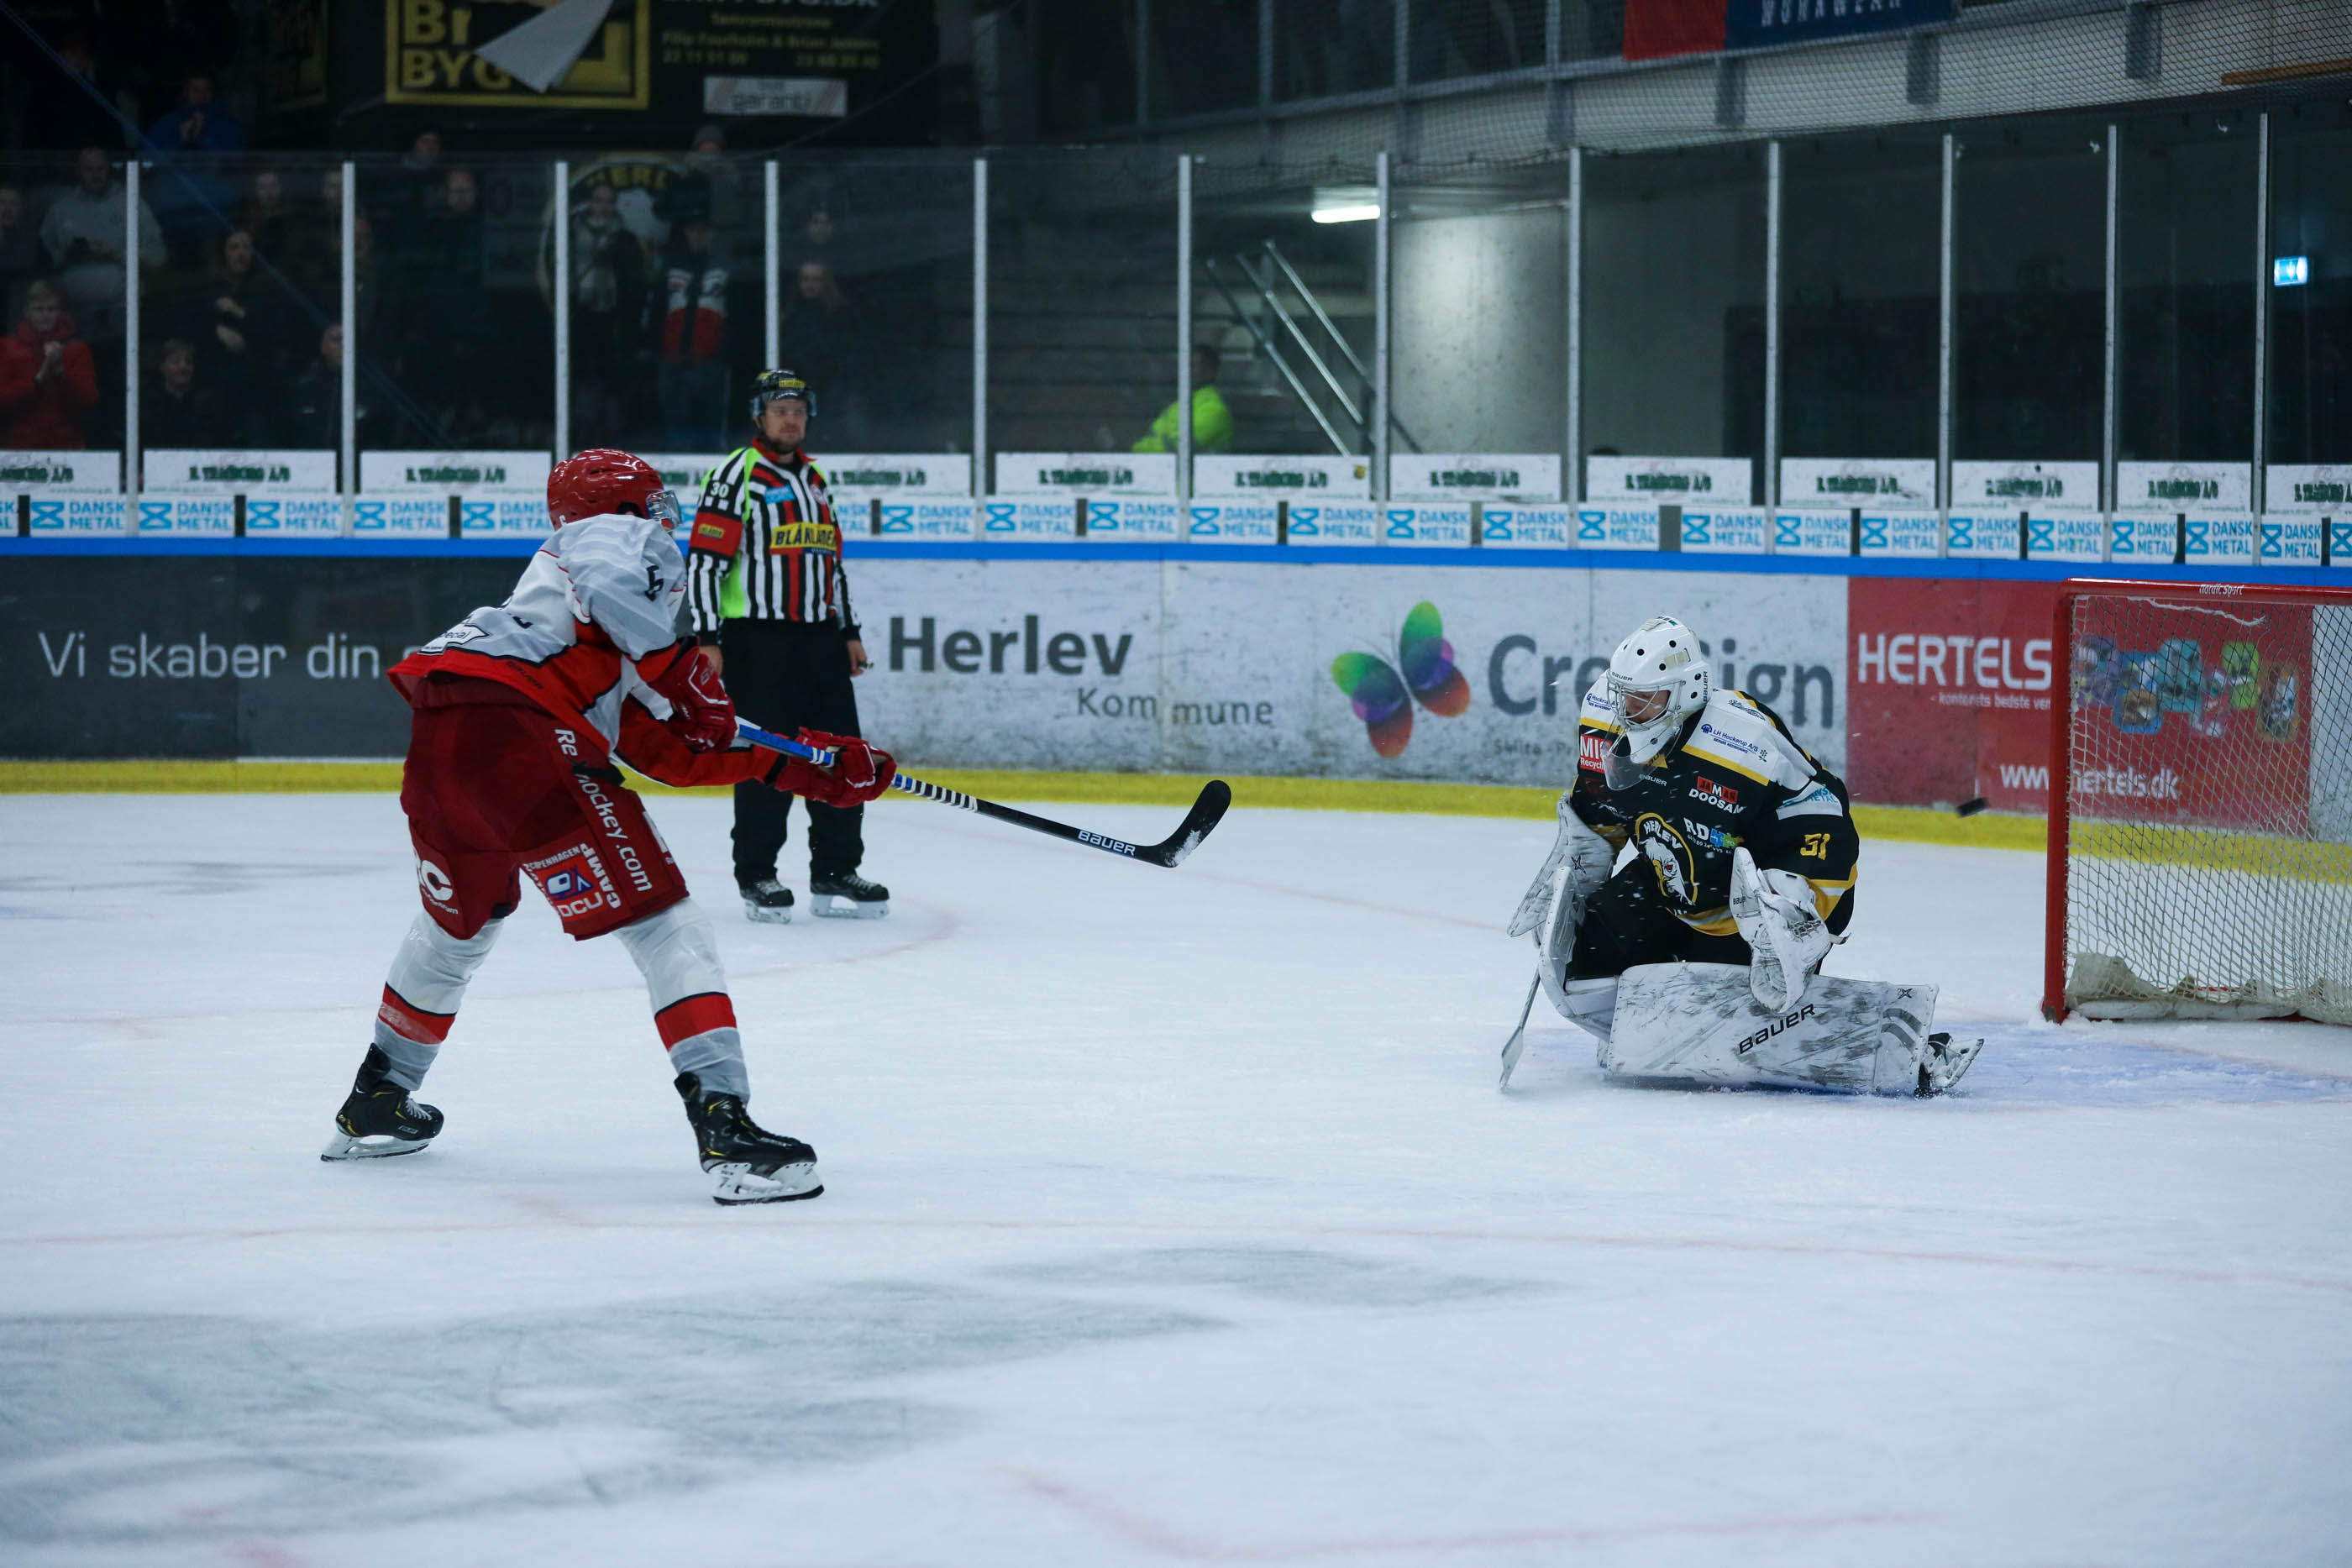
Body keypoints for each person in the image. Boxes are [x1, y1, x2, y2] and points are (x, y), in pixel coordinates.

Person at [321, 448, 896, 1204]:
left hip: (445, 746)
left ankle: (377, 1100)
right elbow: (620, 586)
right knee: (667, 927)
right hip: (523, 738)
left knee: (460, 924)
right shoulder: (604, 542)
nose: (662, 521)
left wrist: (802, 766)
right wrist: (686, 672)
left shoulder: (566, 624)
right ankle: (726, 1129)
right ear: (622, 507)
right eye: (651, 504)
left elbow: (664, 747)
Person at [1508, 614, 1979, 1096]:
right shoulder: (1601, 716)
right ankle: (1646, 1035)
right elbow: (1596, 810)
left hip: (1750, 914)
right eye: (1623, 694)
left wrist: (1794, 909)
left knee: (1746, 1011)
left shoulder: (1742, 742)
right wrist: (1573, 872)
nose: (1627, 711)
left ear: (1686, 691)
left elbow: (1826, 821)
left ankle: (1798, 1023)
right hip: (1673, 888)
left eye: (1644, 700)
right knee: (1583, 954)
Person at [686, 370, 889, 923]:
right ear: (759, 417)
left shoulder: (816, 478)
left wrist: (848, 630)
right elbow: (706, 560)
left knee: (843, 754)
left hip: (819, 639)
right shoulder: (738, 473)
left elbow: (831, 564)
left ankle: (836, 867)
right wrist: (707, 637)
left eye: (798, 409)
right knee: (767, 757)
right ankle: (757, 873)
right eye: (779, 409)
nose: (790, 418)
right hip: (758, 639)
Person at [39, 147, 165, 349]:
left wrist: (115, 253)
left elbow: (158, 256)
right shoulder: (60, 209)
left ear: (110, 169)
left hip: (123, 309)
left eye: (101, 168)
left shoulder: (132, 202)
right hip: (72, 312)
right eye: (89, 169)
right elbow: (44, 264)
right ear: (78, 171)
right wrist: (71, 254)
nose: (95, 175)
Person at [652, 197, 730, 449]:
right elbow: (657, 311)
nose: (698, 236)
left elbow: (735, 316)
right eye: (693, 230)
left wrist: (724, 353)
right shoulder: (670, 266)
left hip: (712, 362)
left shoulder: (724, 267)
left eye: (703, 231)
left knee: (709, 427)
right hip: (673, 360)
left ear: (712, 233)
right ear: (685, 232)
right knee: (677, 426)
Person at [0, 281, 99, 449]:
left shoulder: (77, 349)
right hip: (18, 449)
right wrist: (38, 380)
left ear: (61, 313)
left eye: (51, 309)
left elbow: (89, 401)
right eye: (39, 309)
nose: (45, 315)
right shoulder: (7, 347)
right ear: (27, 313)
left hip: (67, 446)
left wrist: (61, 372)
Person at [1134, 344, 1232, 454]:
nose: (1188, 371)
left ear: (1210, 371)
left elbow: (1180, 447)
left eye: (1194, 366)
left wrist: (1142, 448)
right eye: (1186, 365)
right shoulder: (1178, 404)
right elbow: (1150, 437)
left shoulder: (1216, 410)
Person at [142, 336, 224, 448]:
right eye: (176, 362)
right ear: (162, 367)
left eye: (188, 362)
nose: (183, 367)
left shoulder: (207, 401)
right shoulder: (149, 401)